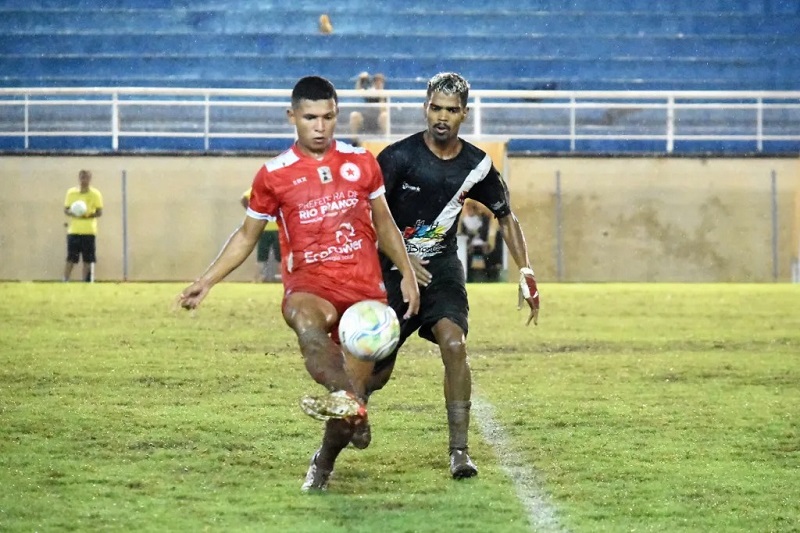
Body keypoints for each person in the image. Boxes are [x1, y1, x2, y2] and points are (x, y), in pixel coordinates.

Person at [177, 76, 420, 492]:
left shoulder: (363, 163)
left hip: (364, 294)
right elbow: (247, 236)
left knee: (352, 406)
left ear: (336, 114)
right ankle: (348, 398)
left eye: (328, 117)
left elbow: (384, 224)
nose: (320, 127)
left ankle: (324, 459)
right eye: (310, 118)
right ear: (292, 116)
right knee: (308, 325)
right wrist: (207, 280)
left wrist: (408, 276)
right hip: (309, 286)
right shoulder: (274, 175)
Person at [370, 72, 541, 480]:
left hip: (442, 270)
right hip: (393, 271)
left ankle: (459, 452)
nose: (442, 117)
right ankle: (349, 418)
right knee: (376, 371)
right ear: (425, 108)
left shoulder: (477, 165)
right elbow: (367, 215)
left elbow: (506, 216)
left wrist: (526, 270)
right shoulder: (396, 157)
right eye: (435, 108)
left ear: (464, 113)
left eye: (451, 110)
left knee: (454, 343)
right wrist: (402, 260)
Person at [63, 169, 103, 282]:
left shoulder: (95, 194)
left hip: (89, 231)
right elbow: (66, 209)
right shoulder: (71, 193)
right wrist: (73, 213)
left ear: (90, 179)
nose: (84, 180)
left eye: (86, 178)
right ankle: (65, 280)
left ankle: (85, 281)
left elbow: (99, 212)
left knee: (87, 259)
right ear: (79, 178)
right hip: (74, 231)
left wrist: (88, 216)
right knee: (71, 258)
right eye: (82, 178)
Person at [241, 188, 281, 282]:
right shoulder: (268, 187)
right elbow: (244, 198)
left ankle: (262, 277)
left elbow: (244, 198)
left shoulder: (266, 188)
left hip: (270, 227)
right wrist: (252, 211)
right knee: (267, 255)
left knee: (274, 255)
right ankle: (261, 277)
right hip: (268, 228)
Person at [349, 72, 388, 144]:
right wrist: (360, 79)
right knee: (354, 115)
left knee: (384, 116)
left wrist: (381, 95)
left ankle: (386, 141)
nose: (378, 83)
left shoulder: (386, 95)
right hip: (366, 119)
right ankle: (354, 142)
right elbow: (358, 91)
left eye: (380, 82)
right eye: (376, 81)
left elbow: (383, 110)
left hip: (378, 121)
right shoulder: (370, 92)